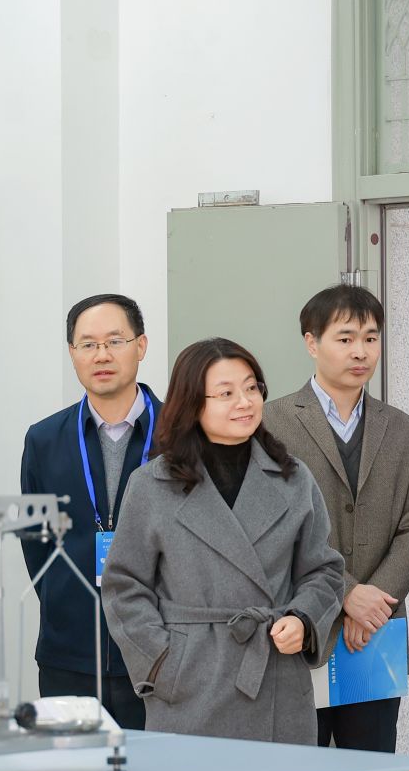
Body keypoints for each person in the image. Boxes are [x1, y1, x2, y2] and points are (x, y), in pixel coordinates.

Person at [101, 338, 346, 745]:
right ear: (192, 403)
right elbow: (124, 586)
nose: (245, 402)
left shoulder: (293, 478)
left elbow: (324, 570)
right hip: (190, 684)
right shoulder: (152, 485)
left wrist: (304, 619)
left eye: (252, 388)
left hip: (275, 678)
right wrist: (162, 662)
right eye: (226, 393)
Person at [265, 285, 409, 752]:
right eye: (345, 338)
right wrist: (346, 594)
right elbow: (272, 529)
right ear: (311, 342)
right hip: (301, 628)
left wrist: (374, 605)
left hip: (374, 636)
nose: (361, 351)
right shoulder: (272, 423)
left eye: (371, 338)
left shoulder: (404, 431)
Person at [19, 293, 159, 730]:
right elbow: (36, 546)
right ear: (72, 353)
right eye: (88, 344)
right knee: (73, 769)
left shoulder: (182, 435)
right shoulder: (44, 439)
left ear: (141, 345)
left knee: (161, 769)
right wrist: (66, 608)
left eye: (115, 341)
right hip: (70, 656)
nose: (102, 355)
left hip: (162, 652)